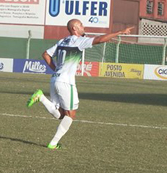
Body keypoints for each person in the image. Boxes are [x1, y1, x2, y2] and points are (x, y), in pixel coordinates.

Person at [27, 19, 133, 149]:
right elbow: (100, 39)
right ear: (74, 28)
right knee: (70, 115)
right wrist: (120, 32)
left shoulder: (62, 41)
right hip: (66, 82)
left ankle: (41, 97)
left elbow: (45, 54)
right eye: (81, 25)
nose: (83, 27)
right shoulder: (79, 41)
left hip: (55, 79)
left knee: (60, 114)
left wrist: (56, 69)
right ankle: (53, 143)